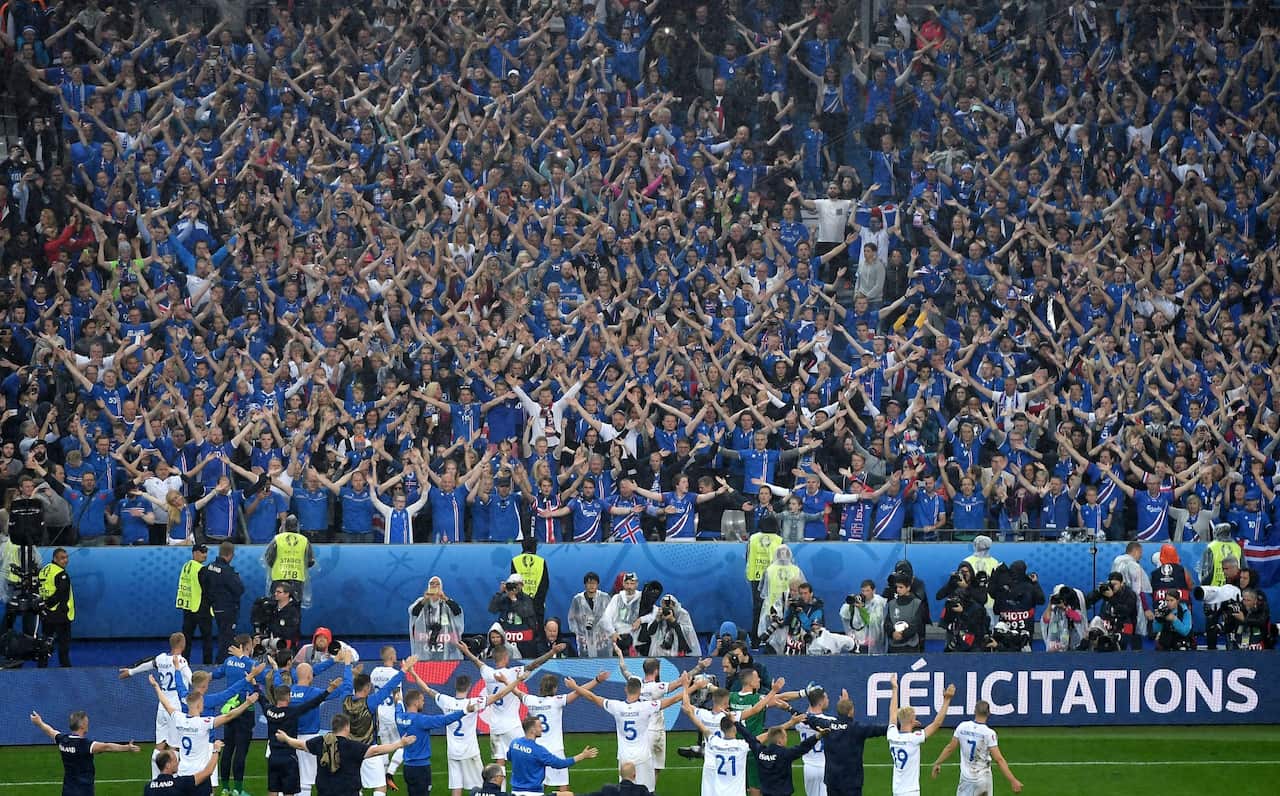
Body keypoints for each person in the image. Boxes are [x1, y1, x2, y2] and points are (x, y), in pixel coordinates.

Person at [405, 666, 528, 796]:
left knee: (456, 787)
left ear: (456, 687)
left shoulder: (446, 701)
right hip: (470, 751)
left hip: (453, 752)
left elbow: (427, 689)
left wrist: (413, 672)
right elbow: (499, 695)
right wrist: (517, 680)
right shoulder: (473, 703)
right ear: (469, 687)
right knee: (481, 786)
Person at [565, 672, 690, 791]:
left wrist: (575, 686)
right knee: (648, 791)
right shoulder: (646, 707)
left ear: (626, 689)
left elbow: (592, 697)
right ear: (640, 690)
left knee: (625, 791)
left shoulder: (616, 706)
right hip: (643, 758)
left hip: (624, 758)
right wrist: (690, 686)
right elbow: (674, 699)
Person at [454, 638, 568, 767]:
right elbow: (534, 664)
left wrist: (466, 651)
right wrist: (551, 652)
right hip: (512, 726)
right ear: (506, 657)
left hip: (495, 726)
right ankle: (525, 784)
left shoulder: (488, 673)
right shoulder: (512, 673)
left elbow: (476, 661)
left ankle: (499, 788)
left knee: (499, 763)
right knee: (526, 755)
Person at [147, 672, 259, 795]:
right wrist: (247, 703)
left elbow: (166, 703)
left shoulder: (179, 718)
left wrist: (156, 686)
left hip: (183, 773)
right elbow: (229, 716)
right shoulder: (204, 723)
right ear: (200, 705)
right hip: (200, 774)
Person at [252, 670, 344, 796]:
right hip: (289, 758)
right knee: (289, 791)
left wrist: (253, 683)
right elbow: (313, 703)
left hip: (273, 757)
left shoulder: (268, 711)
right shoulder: (292, 712)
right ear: (288, 697)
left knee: (273, 790)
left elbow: (261, 698)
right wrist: (330, 689)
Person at [332, 650, 412, 796]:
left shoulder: (345, 700)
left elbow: (347, 682)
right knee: (380, 787)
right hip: (369, 749)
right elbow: (389, 687)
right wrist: (404, 670)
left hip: (350, 750)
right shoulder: (371, 702)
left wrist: (347, 664)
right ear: (368, 688)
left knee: (356, 786)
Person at [274, 715, 416, 796]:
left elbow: (300, 744)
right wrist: (399, 744)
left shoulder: (320, 742)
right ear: (347, 727)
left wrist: (286, 738)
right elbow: (376, 750)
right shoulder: (353, 746)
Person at [518, 671, 609, 793]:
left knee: (539, 785)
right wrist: (597, 680)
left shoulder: (530, 700)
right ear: (555, 688)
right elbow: (579, 691)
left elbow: (516, 691)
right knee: (562, 786)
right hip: (555, 750)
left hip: (538, 750)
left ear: (541, 687)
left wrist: (506, 681)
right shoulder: (557, 701)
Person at [118, 632, 192, 776]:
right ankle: (173, 781)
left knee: (159, 745)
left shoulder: (161, 658)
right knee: (174, 746)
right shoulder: (181, 661)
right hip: (175, 708)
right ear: (183, 645)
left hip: (162, 706)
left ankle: (155, 780)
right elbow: (191, 679)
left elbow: (147, 665)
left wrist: (131, 671)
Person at [28, 709, 139, 795]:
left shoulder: (63, 740)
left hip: (68, 790)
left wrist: (39, 723)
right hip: (84, 790)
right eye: (86, 722)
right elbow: (107, 747)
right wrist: (127, 748)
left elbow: (50, 731)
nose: (88, 724)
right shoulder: (85, 745)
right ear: (81, 725)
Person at [805, 686, 889, 796]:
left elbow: (808, 719)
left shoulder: (828, 725)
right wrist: (902, 725)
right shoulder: (857, 729)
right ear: (851, 711)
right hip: (852, 783)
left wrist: (789, 709)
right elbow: (880, 730)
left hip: (832, 781)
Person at [394, 685, 473, 796]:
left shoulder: (399, 717)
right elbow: (445, 719)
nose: (423, 703)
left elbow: (398, 708)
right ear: (416, 703)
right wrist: (465, 711)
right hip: (421, 769)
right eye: (422, 700)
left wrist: (398, 701)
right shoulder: (421, 720)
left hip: (408, 768)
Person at [930, 701, 1023, 794]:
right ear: (988, 713)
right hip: (983, 778)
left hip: (967, 779)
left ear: (974, 711)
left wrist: (938, 763)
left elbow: (950, 748)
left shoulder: (962, 727)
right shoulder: (989, 733)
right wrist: (1013, 780)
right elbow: (999, 759)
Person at [887, 675, 955, 796]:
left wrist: (895, 688)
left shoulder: (891, 735)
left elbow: (892, 714)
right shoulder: (914, 738)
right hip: (911, 791)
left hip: (896, 790)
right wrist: (947, 700)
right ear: (912, 721)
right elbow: (937, 723)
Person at [508, 714, 599, 796]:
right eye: (539, 726)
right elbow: (559, 764)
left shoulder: (514, 743)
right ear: (532, 730)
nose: (542, 729)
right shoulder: (538, 751)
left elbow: (510, 757)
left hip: (515, 792)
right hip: (534, 793)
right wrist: (582, 756)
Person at [736, 713, 825, 796]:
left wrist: (736, 723)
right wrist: (817, 736)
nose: (786, 739)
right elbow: (802, 747)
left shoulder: (760, 752)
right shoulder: (785, 754)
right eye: (785, 737)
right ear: (780, 741)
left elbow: (750, 738)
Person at [203, 541, 244, 660]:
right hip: (228, 609)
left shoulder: (209, 567)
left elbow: (203, 583)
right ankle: (222, 662)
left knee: (221, 635)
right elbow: (239, 589)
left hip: (214, 607)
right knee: (227, 638)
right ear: (230, 554)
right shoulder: (228, 571)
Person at [409, 576, 466, 660]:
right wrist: (424, 600)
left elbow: (457, 612)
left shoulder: (446, 601)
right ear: (428, 586)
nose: (434, 586)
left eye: (437, 584)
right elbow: (413, 613)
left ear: (441, 587)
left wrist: (445, 598)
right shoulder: (421, 601)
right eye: (432, 584)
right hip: (425, 645)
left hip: (444, 645)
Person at [176, 544, 215, 664]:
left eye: (206, 552)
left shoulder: (186, 566)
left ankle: (183, 662)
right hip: (201, 608)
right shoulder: (201, 569)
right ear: (194, 553)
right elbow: (208, 590)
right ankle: (208, 664)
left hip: (188, 607)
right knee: (207, 639)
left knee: (186, 639)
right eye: (202, 552)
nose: (205, 555)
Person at [264, 514, 315, 605]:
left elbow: (268, 558)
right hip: (297, 579)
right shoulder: (304, 540)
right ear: (297, 526)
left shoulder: (277, 539)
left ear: (285, 526)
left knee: (276, 608)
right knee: (294, 609)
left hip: (279, 578)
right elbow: (310, 561)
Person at [37, 546, 73, 667]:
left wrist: (44, 605)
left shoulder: (44, 569)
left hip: (46, 613)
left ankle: (42, 665)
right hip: (60, 614)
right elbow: (61, 594)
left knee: (46, 641)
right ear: (55, 559)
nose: (66, 560)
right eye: (62, 558)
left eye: (66, 557)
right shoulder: (61, 574)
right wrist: (51, 604)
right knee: (63, 643)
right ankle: (65, 667)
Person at [145, 741, 223, 796]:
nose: (178, 764)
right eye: (175, 761)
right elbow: (207, 772)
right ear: (168, 765)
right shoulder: (179, 783)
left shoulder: (148, 787)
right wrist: (216, 751)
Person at [490, 573, 539, 655]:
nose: (514, 587)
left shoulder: (527, 599)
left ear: (521, 585)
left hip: (525, 642)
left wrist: (514, 599)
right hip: (507, 640)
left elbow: (525, 613)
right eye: (512, 584)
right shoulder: (504, 598)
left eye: (516, 584)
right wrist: (500, 593)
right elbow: (492, 609)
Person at [567, 571, 612, 658]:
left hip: (602, 639)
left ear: (597, 584)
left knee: (604, 663)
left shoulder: (605, 597)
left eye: (594, 583)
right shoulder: (578, 599)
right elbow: (571, 618)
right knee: (586, 664)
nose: (591, 585)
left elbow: (612, 615)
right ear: (585, 584)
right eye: (589, 583)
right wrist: (578, 632)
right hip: (585, 640)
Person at [510, 537, 550, 627]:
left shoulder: (515, 561)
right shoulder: (541, 561)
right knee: (537, 631)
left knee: (521, 628)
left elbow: (513, 582)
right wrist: (537, 603)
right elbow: (545, 584)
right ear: (535, 547)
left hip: (520, 604)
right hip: (537, 605)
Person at [840, 580, 887, 654]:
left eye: (867, 591)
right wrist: (850, 605)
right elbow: (845, 616)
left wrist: (861, 609)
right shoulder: (858, 600)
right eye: (863, 591)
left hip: (872, 643)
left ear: (874, 590)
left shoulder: (878, 602)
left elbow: (872, 622)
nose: (865, 593)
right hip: (857, 641)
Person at [884, 576, 926, 654]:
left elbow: (916, 624)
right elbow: (887, 622)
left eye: (901, 587)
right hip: (893, 647)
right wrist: (892, 633)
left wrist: (902, 635)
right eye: (897, 587)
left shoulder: (917, 603)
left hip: (911, 647)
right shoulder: (891, 604)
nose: (898, 590)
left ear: (908, 588)